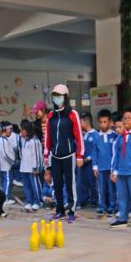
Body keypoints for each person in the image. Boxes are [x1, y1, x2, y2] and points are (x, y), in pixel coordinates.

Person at [44, 83, 85, 222]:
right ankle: (60, 210)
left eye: (59, 96)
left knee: (70, 184)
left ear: (65, 97)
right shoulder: (51, 115)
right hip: (55, 156)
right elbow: (48, 136)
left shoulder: (73, 114)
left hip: (69, 155)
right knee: (57, 184)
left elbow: (79, 136)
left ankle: (71, 211)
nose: (57, 98)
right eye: (54, 96)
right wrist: (46, 153)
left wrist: (80, 155)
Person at [93, 109, 118, 216]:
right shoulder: (96, 136)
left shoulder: (114, 135)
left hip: (111, 168)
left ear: (110, 122)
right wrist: (95, 167)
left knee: (112, 189)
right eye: (101, 122)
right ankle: (102, 206)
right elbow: (94, 152)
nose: (103, 125)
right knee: (101, 189)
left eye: (105, 122)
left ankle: (112, 206)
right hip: (101, 168)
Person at [19, 121, 44, 212]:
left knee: (35, 186)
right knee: (27, 186)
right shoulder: (23, 140)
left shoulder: (35, 141)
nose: (21, 132)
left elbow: (37, 156)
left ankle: (37, 201)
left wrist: (36, 168)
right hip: (24, 167)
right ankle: (29, 201)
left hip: (32, 169)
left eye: (23, 130)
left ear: (28, 131)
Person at [77, 113, 98, 210]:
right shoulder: (84, 135)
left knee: (92, 182)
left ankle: (94, 200)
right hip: (83, 164)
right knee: (83, 182)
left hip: (90, 164)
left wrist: (89, 158)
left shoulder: (95, 135)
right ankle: (83, 200)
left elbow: (95, 149)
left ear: (86, 122)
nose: (80, 124)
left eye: (81, 122)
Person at [0, 121, 19, 200]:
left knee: (6, 182)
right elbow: (5, 154)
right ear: (5, 129)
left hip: (6, 166)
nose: (11, 131)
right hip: (7, 166)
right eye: (10, 129)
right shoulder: (2, 140)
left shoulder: (4, 139)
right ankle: (5, 199)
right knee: (7, 182)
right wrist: (12, 162)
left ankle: (6, 198)